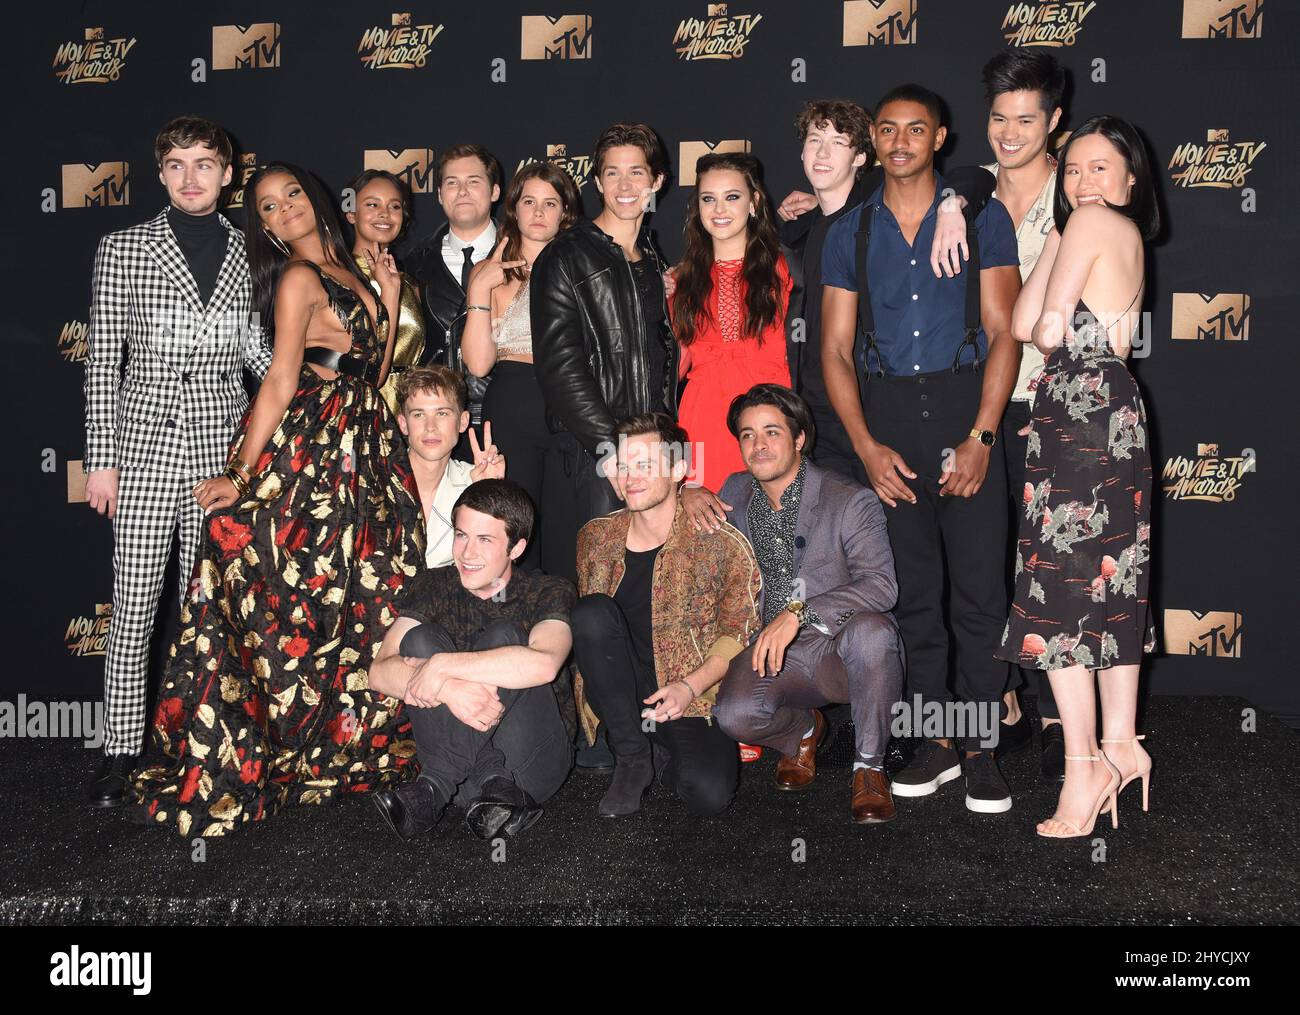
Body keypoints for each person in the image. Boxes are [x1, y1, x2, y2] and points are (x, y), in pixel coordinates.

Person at [130, 162, 425, 836]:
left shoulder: (356, 270)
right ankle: (274, 741)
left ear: (316, 199)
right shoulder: (298, 277)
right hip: (313, 450)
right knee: (299, 594)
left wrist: (390, 289)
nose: (285, 209)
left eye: (292, 194)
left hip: (366, 447)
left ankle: (337, 741)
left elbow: (371, 373)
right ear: (260, 222)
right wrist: (238, 474)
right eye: (267, 206)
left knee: (358, 596)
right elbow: (281, 380)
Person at [820, 84, 1022, 813]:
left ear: (941, 137)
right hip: (890, 418)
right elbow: (836, 351)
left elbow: (1005, 332)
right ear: (873, 140)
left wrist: (981, 437)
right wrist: (867, 446)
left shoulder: (982, 215)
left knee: (978, 592)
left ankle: (982, 749)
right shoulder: (851, 231)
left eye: (916, 128)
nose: (900, 140)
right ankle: (938, 741)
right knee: (913, 596)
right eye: (887, 129)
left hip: (967, 405)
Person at [82, 116, 274, 808]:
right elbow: (103, 359)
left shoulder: (251, 247)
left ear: (229, 174)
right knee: (133, 610)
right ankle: (121, 750)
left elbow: (257, 354)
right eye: (175, 166)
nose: (190, 178)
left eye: (204, 164)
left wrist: (311, 392)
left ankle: (200, 739)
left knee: (210, 610)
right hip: (140, 453)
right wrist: (100, 461)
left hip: (216, 457)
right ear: (160, 174)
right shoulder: (124, 248)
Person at [995, 115, 1159, 839]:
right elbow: (1026, 315)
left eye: (1101, 168)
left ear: (1130, 181)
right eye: (1075, 170)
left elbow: (1045, 329)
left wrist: (1069, 234)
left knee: (1058, 597)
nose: (1085, 182)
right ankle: (1121, 743)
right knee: (1111, 582)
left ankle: (1084, 762)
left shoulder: (1095, 224)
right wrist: (1059, 235)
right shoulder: (1094, 231)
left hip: (1079, 409)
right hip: (1106, 407)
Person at [775, 100, 997, 484]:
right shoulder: (796, 232)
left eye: (838, 143)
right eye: (814, 140)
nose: (822, 153)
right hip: (811, 419)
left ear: (863, 156)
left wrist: (950, 204)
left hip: (872, 412)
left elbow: (976, 177)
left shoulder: (877, 203)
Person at [712, 385, 905, 823]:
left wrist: (799, 612)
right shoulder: (735, 491)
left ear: (800, 438)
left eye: (771, 432)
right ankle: (803, 731)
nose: (758, 445)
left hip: (840, 648)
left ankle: (870, 769)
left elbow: (881, 586)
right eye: (747, 435)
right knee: (733, 715)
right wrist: (688, 494)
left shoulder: (849, 498)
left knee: (875, 631)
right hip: (774, 654)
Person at [571, 414, 761, 818]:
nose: (630, 477)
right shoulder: (594, 538)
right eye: (622, 465)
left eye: (644, 464)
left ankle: (659, 750)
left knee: (708, 793)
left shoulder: (720, 544)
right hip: (619, 692)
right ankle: (632, 756)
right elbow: (593, 638)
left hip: (686, 692)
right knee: (589, 614)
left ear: (678, 469)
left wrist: (689, 688)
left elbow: (740, 630)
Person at [369, 480, 575, 841]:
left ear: (517, 547)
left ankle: (432, 786)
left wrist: (442, 667)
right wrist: (448, 688)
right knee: (420, 639)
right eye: (462, 535)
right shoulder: (433, 584)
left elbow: (544, 664)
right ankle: (484, 784)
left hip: (530, 770)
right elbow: (380, 671)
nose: (466, 552)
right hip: (467, 786)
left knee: (505, 636)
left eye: (485, 539)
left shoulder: (548, 590)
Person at [530, 122, 677, 585]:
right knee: (598, 588)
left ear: (657, 181)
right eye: (612, 174)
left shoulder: (652, 257)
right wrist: (613, 452)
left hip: (654, 449)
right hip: (595, 453)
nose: (625, 186)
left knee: (654, 587)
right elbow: (560, 368)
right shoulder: (565, 256)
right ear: (597, 183)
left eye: (637, 173)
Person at [979, 49, 1069, 779]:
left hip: (1047, 405)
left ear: (1054, 123)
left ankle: (1056, 716)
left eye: (1026, 119)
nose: (1010, 133)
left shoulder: (1076, 204)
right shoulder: (964, 196)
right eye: (1000, 118)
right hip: (975, 409)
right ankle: (1001, 701)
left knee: (1047, 564)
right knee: (985, 566)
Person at [460, 161, 582, 570]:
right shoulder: (489, 273)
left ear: (565, 211)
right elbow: (477, 364)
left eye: (550, 203)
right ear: (513, 207)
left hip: (571, 399)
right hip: (514, 398)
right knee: (514, 525)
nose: (539, 212)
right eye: (529, 201)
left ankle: (563, 626)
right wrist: (479, 288)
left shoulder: (585, 269)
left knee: (570, 526)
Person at [670, 152, 791, 492]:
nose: (719, 209)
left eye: (732, 197)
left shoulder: (785, 271)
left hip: (771, 418)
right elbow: (673, 367)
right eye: (708, 199)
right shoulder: (681, 282)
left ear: (754, 202)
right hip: (702, 423)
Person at [403, 144, 502, 438]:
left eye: (474, 181)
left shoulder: (524, 257)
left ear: (495, 191)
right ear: (439, 195)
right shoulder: (412, 264)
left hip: (505, 413)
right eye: (452, 183)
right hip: (435, 421)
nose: (462, 191)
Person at [394, 365, 505, 568]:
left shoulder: (472, 482)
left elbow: (492, 567)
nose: (430, 427)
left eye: (442, 413)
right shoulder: (376, 478)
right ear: (403, 423)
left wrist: (490, 495)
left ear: (463, 422)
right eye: (419, 414)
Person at [345, 169, 428, 417]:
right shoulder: (336, 279)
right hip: (357, 410)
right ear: (351, 213)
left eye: (394, 206)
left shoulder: (410, 283)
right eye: (372, 204)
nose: (385, 213)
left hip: (409, 414)